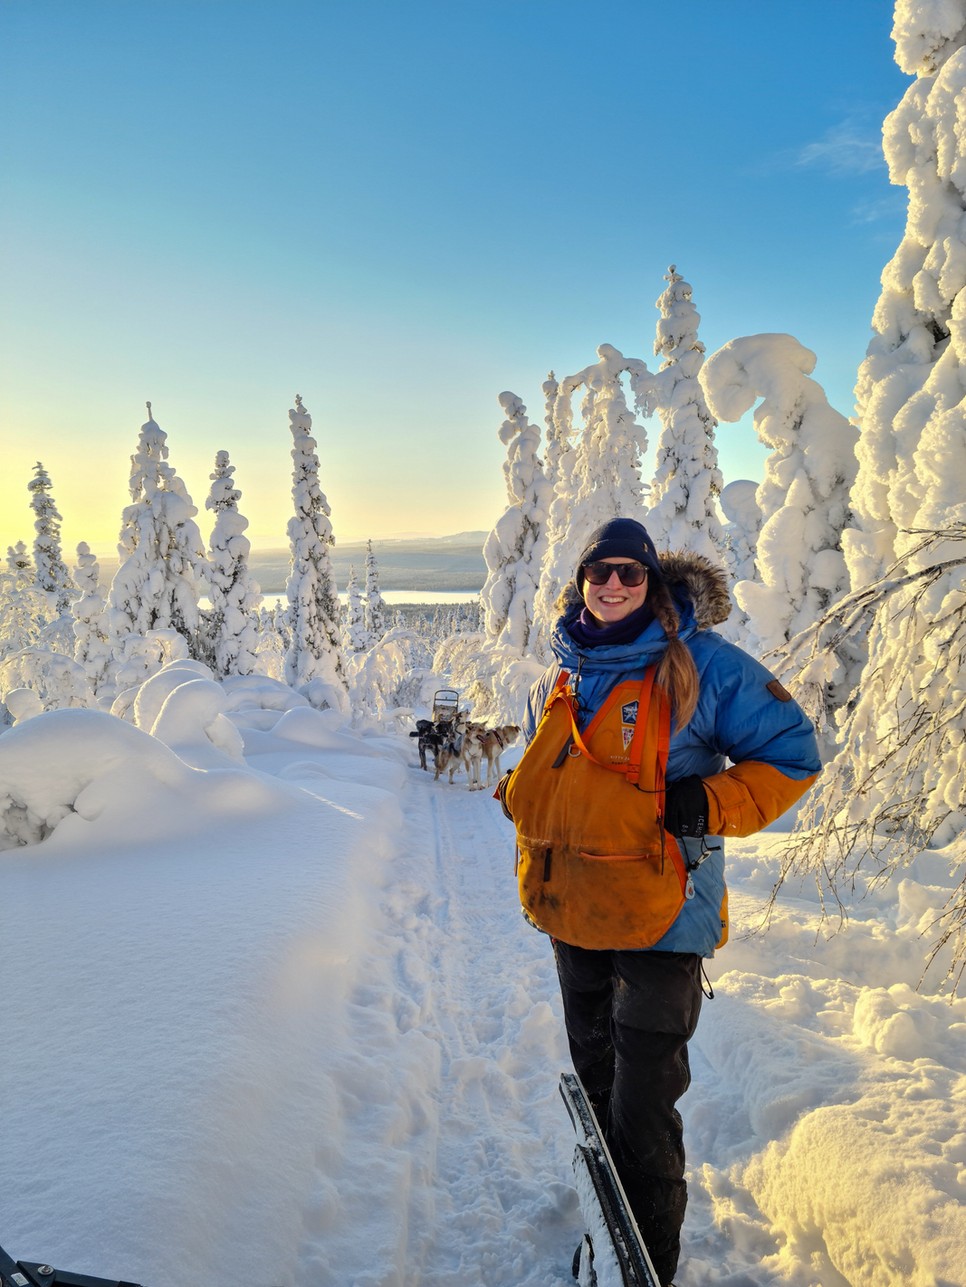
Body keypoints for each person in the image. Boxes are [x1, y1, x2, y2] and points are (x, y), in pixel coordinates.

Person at [498, 517, 821, 1287]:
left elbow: (793, 753)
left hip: (665, 919)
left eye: (628, 574)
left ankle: (647, 1266)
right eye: (597, 573)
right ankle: (607, 1237)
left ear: (651, 581)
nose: (611, 586)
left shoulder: (701, 665)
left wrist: (708, 801)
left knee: (643, 1108)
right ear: (580, 583)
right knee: (599, 1079)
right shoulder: (568, 665)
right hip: (575, 911)